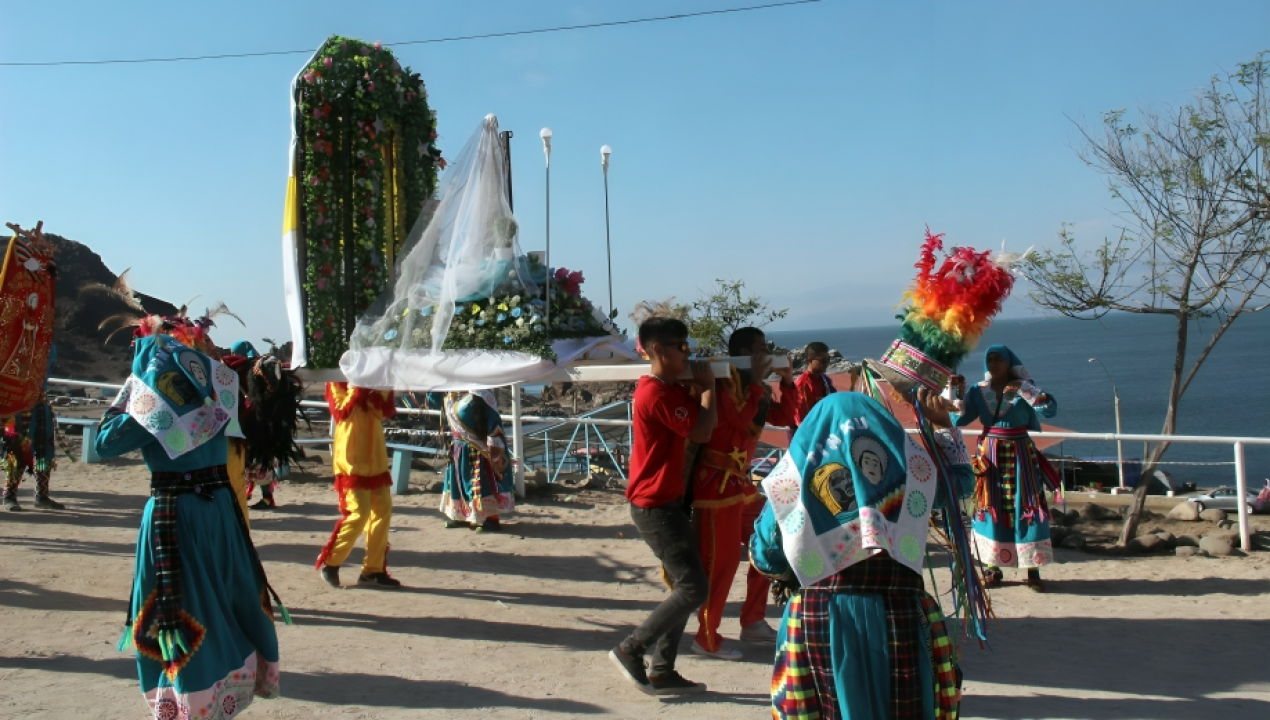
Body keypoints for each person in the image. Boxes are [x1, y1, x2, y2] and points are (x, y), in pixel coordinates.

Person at [751, 391, 974, 719]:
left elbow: (765, 556)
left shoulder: (792, 480)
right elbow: (961, 486)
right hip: (900, 610)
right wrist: (943, 426)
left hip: (820, 616)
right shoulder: (910, 472)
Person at [96, 330, 283, 719]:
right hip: (220, 511)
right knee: (229, 598)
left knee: (181, 612)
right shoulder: (218, 384)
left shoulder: (154, 400)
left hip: (176, 516)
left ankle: (194, 702)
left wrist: (130, 395)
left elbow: (104, 443)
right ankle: (233, 688)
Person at [609, 316, 717, 697]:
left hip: (664, 501)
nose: (688, 353)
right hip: (655, 506)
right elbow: (703, 430)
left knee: (689, 585)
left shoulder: (664, 389)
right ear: (658, 349)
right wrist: (707, 389)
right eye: (681, 346)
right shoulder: (655, 394)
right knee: (692, 588)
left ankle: (663, 668)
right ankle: (631, 649)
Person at [688, 327, 797, 660]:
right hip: (714, 485)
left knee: (769, 542)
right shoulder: (721, 383)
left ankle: (752, 620)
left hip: (740, 485)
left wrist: (788, 382)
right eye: (760, 349)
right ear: (745, 352)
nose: (766, 353)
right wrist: (756, 381)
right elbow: (739, 417)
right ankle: (706, 636)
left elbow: (782, 415)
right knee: (718, 564)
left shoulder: (755, 387)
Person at [952, 345, 1060, 592]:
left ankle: (1033, 569)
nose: (993, 362)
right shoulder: (978, 391)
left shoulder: (1023, 388)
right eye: (989, 358)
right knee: (991, 506)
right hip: (990, 456)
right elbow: (958, 419)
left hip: (1021, 453)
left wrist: (1029, 390)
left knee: (1027, 505)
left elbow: (1050, 410)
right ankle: (993, 569)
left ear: (1009, 362)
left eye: (999, 358)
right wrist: (955, 393)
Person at [315, 382, 401, 588]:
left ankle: (373, 570)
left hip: (376, 458)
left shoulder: (378, 380)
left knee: (382, 512)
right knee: (359, 512)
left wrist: (373, 389)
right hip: (351, 459)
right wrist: (357, 388)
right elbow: (342, 411)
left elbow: (382, 412)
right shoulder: (337, 380)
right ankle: (331, 562)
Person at [430, 389, 513, 531]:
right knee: (458, 483)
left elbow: (493, 419)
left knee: (480, 483)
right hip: (457, 447)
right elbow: (433, 402)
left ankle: (490, 518)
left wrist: (494, 444)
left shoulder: (482, 394)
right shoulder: (451, 393)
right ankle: (461, 515)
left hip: (477, 449)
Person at [2, 346, 64, 511]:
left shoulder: (49, 346)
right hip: (19, 406)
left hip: (40, 404)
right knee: (18, 451)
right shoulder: (15, 341)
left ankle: (42, 495)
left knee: (45, 451)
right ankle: (9, 495)